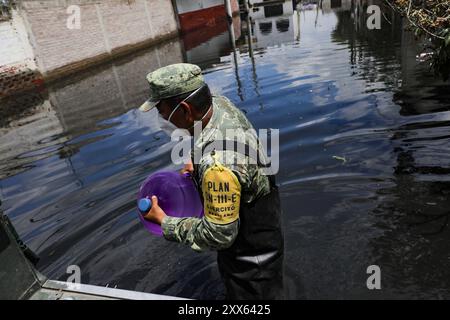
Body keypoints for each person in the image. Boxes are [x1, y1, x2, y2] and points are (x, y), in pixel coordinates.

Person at [139, 63, 284, 299]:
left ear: (186, 109)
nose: (161, 117)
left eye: (161, 109)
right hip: (261, 220)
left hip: (251, 262)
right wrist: (195, 162)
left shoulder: (218, 166)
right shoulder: (218, 104)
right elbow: (213, 138)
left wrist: (164, 222)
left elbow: (219, 235)